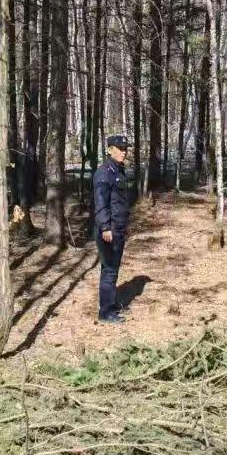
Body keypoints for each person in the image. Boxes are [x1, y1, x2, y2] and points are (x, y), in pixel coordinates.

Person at [93, 134, 134, 323]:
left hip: (118, 227)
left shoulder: (119, 170)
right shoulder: (104, 173)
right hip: (108, 229)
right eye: (120, 149)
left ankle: (110, 302)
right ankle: (106, 312)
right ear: (110, 150)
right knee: (109, 270)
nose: (123, 152)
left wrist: (124, 225)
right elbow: (101, 203)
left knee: (112, 268)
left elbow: (120, 202)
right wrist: (105, 228)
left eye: (125, 149)